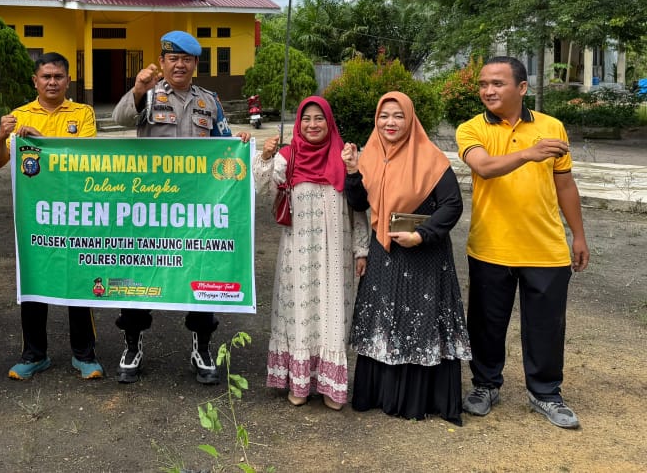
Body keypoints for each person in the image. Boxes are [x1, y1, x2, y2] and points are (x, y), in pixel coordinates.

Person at [110, 30, 250, 385]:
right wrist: (139, 89)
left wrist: (241, 143)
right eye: (173, 58)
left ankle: (201, 345)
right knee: (140, 273)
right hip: (152, 207)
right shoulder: (150, 95)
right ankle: (132, 342)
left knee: (204, 271)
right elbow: (121, 119)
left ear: (195, 64)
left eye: (187, 59)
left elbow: (224, 144)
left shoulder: (209, 101)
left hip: (197, 208)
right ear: (163, 60)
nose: (180, 64)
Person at [456, 56, 589, 429]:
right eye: (484, 84)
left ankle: (545, 393)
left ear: (522, 88)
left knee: (547, 326)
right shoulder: (471, 129)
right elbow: (484, 167)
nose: (488, 90)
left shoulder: (552, 127)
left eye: (497, 83)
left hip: (545, 247)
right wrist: (529, 153)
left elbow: (564, 183)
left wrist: (578, 234)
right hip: (490, 246)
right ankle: (485, 384)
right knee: (485, 323)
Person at [342, 91, 471, 425]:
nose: (390, 122)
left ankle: (419, 399)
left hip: (424, 256)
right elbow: (358, 203)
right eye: (384, 115)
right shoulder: (370, 154)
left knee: (420, 319)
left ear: (410, 119)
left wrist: (422, 235)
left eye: (398, 115)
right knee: (386, 318)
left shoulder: (430, 157)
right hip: (384, 252)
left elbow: (452, 205)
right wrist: (354, 172)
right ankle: (381, 394)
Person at [0, 52, 105, 381]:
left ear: (68, 81)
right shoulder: (19, 115)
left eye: (58, 77)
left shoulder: (82, 114)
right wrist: (2, 136)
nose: (52, 82)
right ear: (35, 81)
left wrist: (44, 144)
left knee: (78, 281)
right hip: (35, 216)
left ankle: (84, 355)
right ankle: (34, 355)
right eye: (46, 77)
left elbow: (88, 159)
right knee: (34, 283)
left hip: (75, 212)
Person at [254, 96, 368, 409]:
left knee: (333, 315)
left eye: (319, 118)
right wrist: (265, 158)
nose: (313, 125)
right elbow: (262, 190)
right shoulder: (287, 157)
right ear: (299, 123)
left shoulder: (344, 157)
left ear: (329, 122)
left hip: (336, 255)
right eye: (307, 119)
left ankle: (330, 386)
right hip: (297, 255)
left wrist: (361, 250)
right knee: (299, 314)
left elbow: (359, 210)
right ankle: (299, 383)